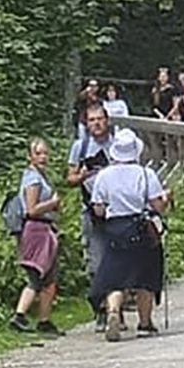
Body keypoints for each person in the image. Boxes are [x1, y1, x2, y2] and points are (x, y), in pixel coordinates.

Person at [88, 129, 171, 342]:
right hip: (142, 229)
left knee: (116, 277)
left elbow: (97, 208)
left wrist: (111, 212)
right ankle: (145, 323)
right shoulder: (146, 174)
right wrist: (167, 198)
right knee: (146, 278)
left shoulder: (104, 175)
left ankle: (114, 311)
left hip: (116, 229)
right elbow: (157, 205)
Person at [67, 104, 116, 331]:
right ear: (86, 123)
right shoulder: (81, 146)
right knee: (96, 262)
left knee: (117, 262)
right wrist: (86, 173)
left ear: (107, 120)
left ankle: (115, 309)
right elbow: (70, 179)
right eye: (92, 120)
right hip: (91, 212)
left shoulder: (118, 144)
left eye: (100, 119)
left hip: (117, 212)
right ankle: (101, 310)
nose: (96, 123)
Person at [10, 138, 64, 336]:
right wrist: (52, 203)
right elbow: (31, 209)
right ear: (29, 156)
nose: (42, 157)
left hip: (45, 229)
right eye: (38, 153)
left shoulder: (41, 176)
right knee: (36, 275)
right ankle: (20, 315)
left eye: (45, 153)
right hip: (35, 230)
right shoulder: (32, 179)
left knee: (49, 277)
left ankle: (44, 320)